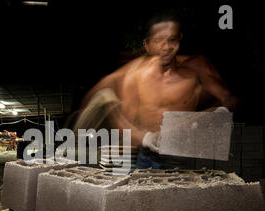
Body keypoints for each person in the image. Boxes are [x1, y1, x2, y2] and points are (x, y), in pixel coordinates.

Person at [77, 11, 238, 169]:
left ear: (180, 38)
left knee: (179, 194)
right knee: (142, 194)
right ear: (147, 44)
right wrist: (145, 138)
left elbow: (229, 99)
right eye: (159, 40)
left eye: (172, 40)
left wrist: (218, 113)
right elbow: (125, 118)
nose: (166, 47)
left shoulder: (196, 68)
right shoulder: (136, 74)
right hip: (146, 154)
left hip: (179, 156)